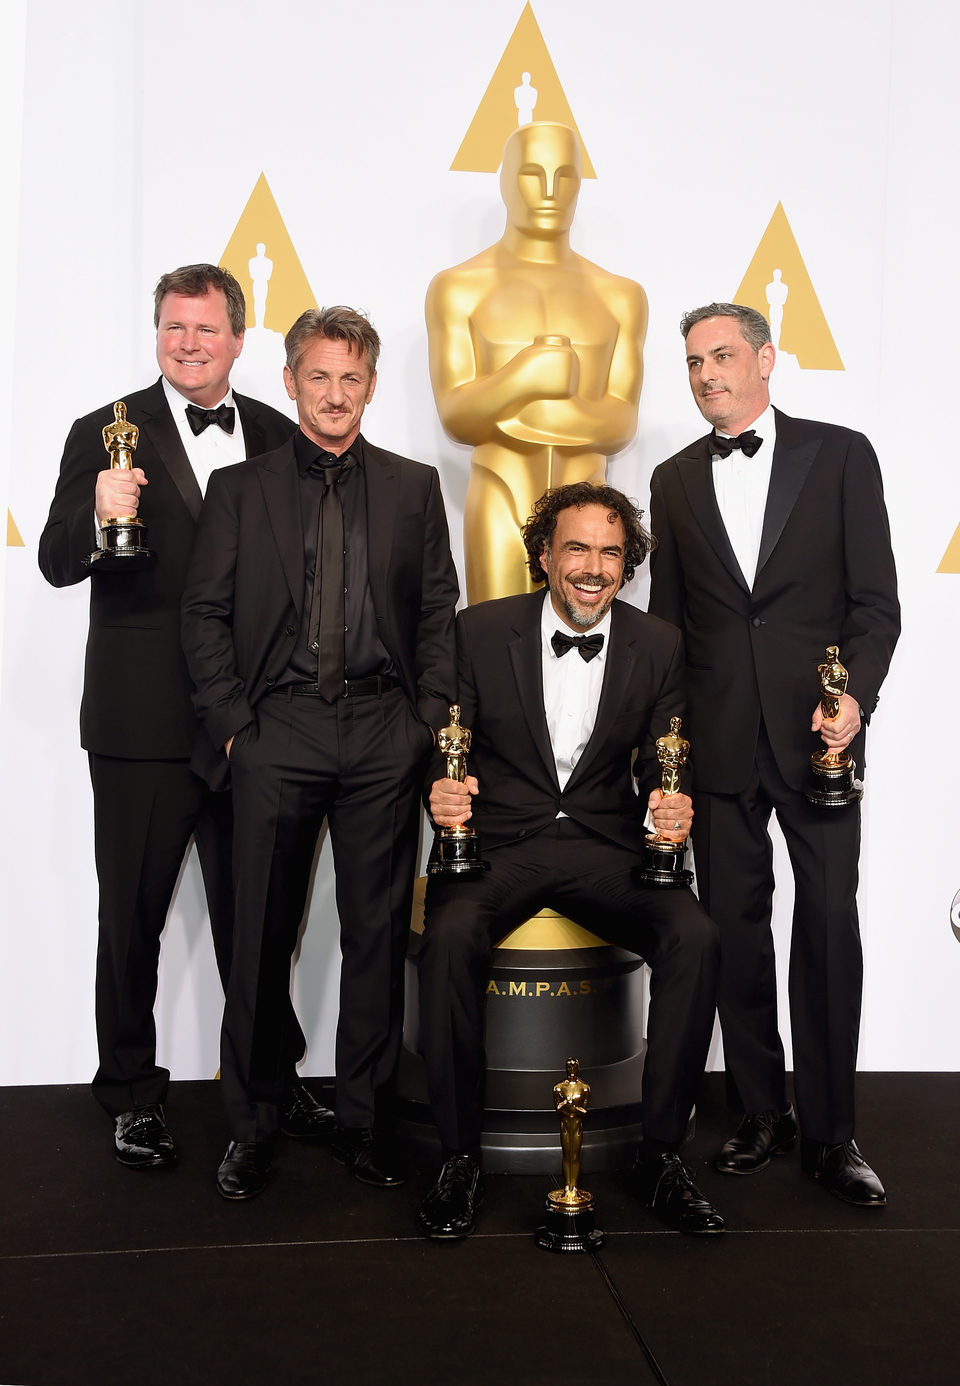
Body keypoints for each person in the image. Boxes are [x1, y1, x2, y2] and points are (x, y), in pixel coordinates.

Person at [38, 264, 327, 1171]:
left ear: (241, 340)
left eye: (206, 330)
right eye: (173, 327)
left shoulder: (283, 436)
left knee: (265, 918)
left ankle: (271, 1081)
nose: (188, 344)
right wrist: (96, 513)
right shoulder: (104, 431)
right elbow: (52, 561)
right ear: (156, 333)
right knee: (132, 919)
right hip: (141, 726)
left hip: (254, 722)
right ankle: (128, 1090)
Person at [181, 306, 459, 1200]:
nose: (335, 395)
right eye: (319, 377)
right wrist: (235, 727)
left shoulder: (416, 488)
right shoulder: (240, 488)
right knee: (261, 936)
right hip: (279, 731)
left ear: (371, 386)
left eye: (352, 378)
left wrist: (423, 724)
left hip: (385, 731)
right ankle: (254, 1123)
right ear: (291, 381)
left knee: (377, 937)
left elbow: (435, 619)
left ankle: (365, 1123)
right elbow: (204, 616)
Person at [415, 482, 722, 1240]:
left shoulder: (658, 645)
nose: (593, 567)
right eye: (577, 548)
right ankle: (458, 1158)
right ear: (544, 556)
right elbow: (447, 741)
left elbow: (662, 759)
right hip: (502, 843)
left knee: (697, 937)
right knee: (450, 939)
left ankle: (660, 1152)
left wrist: (669, 801)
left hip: (604, 847)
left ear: (629, 565)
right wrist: (445, 795)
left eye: (611, 552)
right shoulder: (479, 632)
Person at [648, 302, 900, 1206]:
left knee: (829, 926)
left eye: (722, 356)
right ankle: (763, 1110)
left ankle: (834, 1133)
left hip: (817, 737)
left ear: (766, 360)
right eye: (692, 362)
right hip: (718, 743)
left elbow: (876, 603)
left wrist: (855, 699)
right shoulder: (673, 478)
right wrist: (667, 753)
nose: (707, 373)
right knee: (734, 935)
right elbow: (671, 632)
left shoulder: (840, 455)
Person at [425, 121, 647, 603]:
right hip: (498, 495)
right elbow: (457, 416)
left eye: (565, 176)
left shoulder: (621, 297)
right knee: (494, 656)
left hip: (590, 510)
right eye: (531, 174)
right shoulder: (459, 287)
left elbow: (621, 424)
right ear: (504, 180)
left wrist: (515, 411)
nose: (549, 191)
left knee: (587, 661)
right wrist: (523, 377)